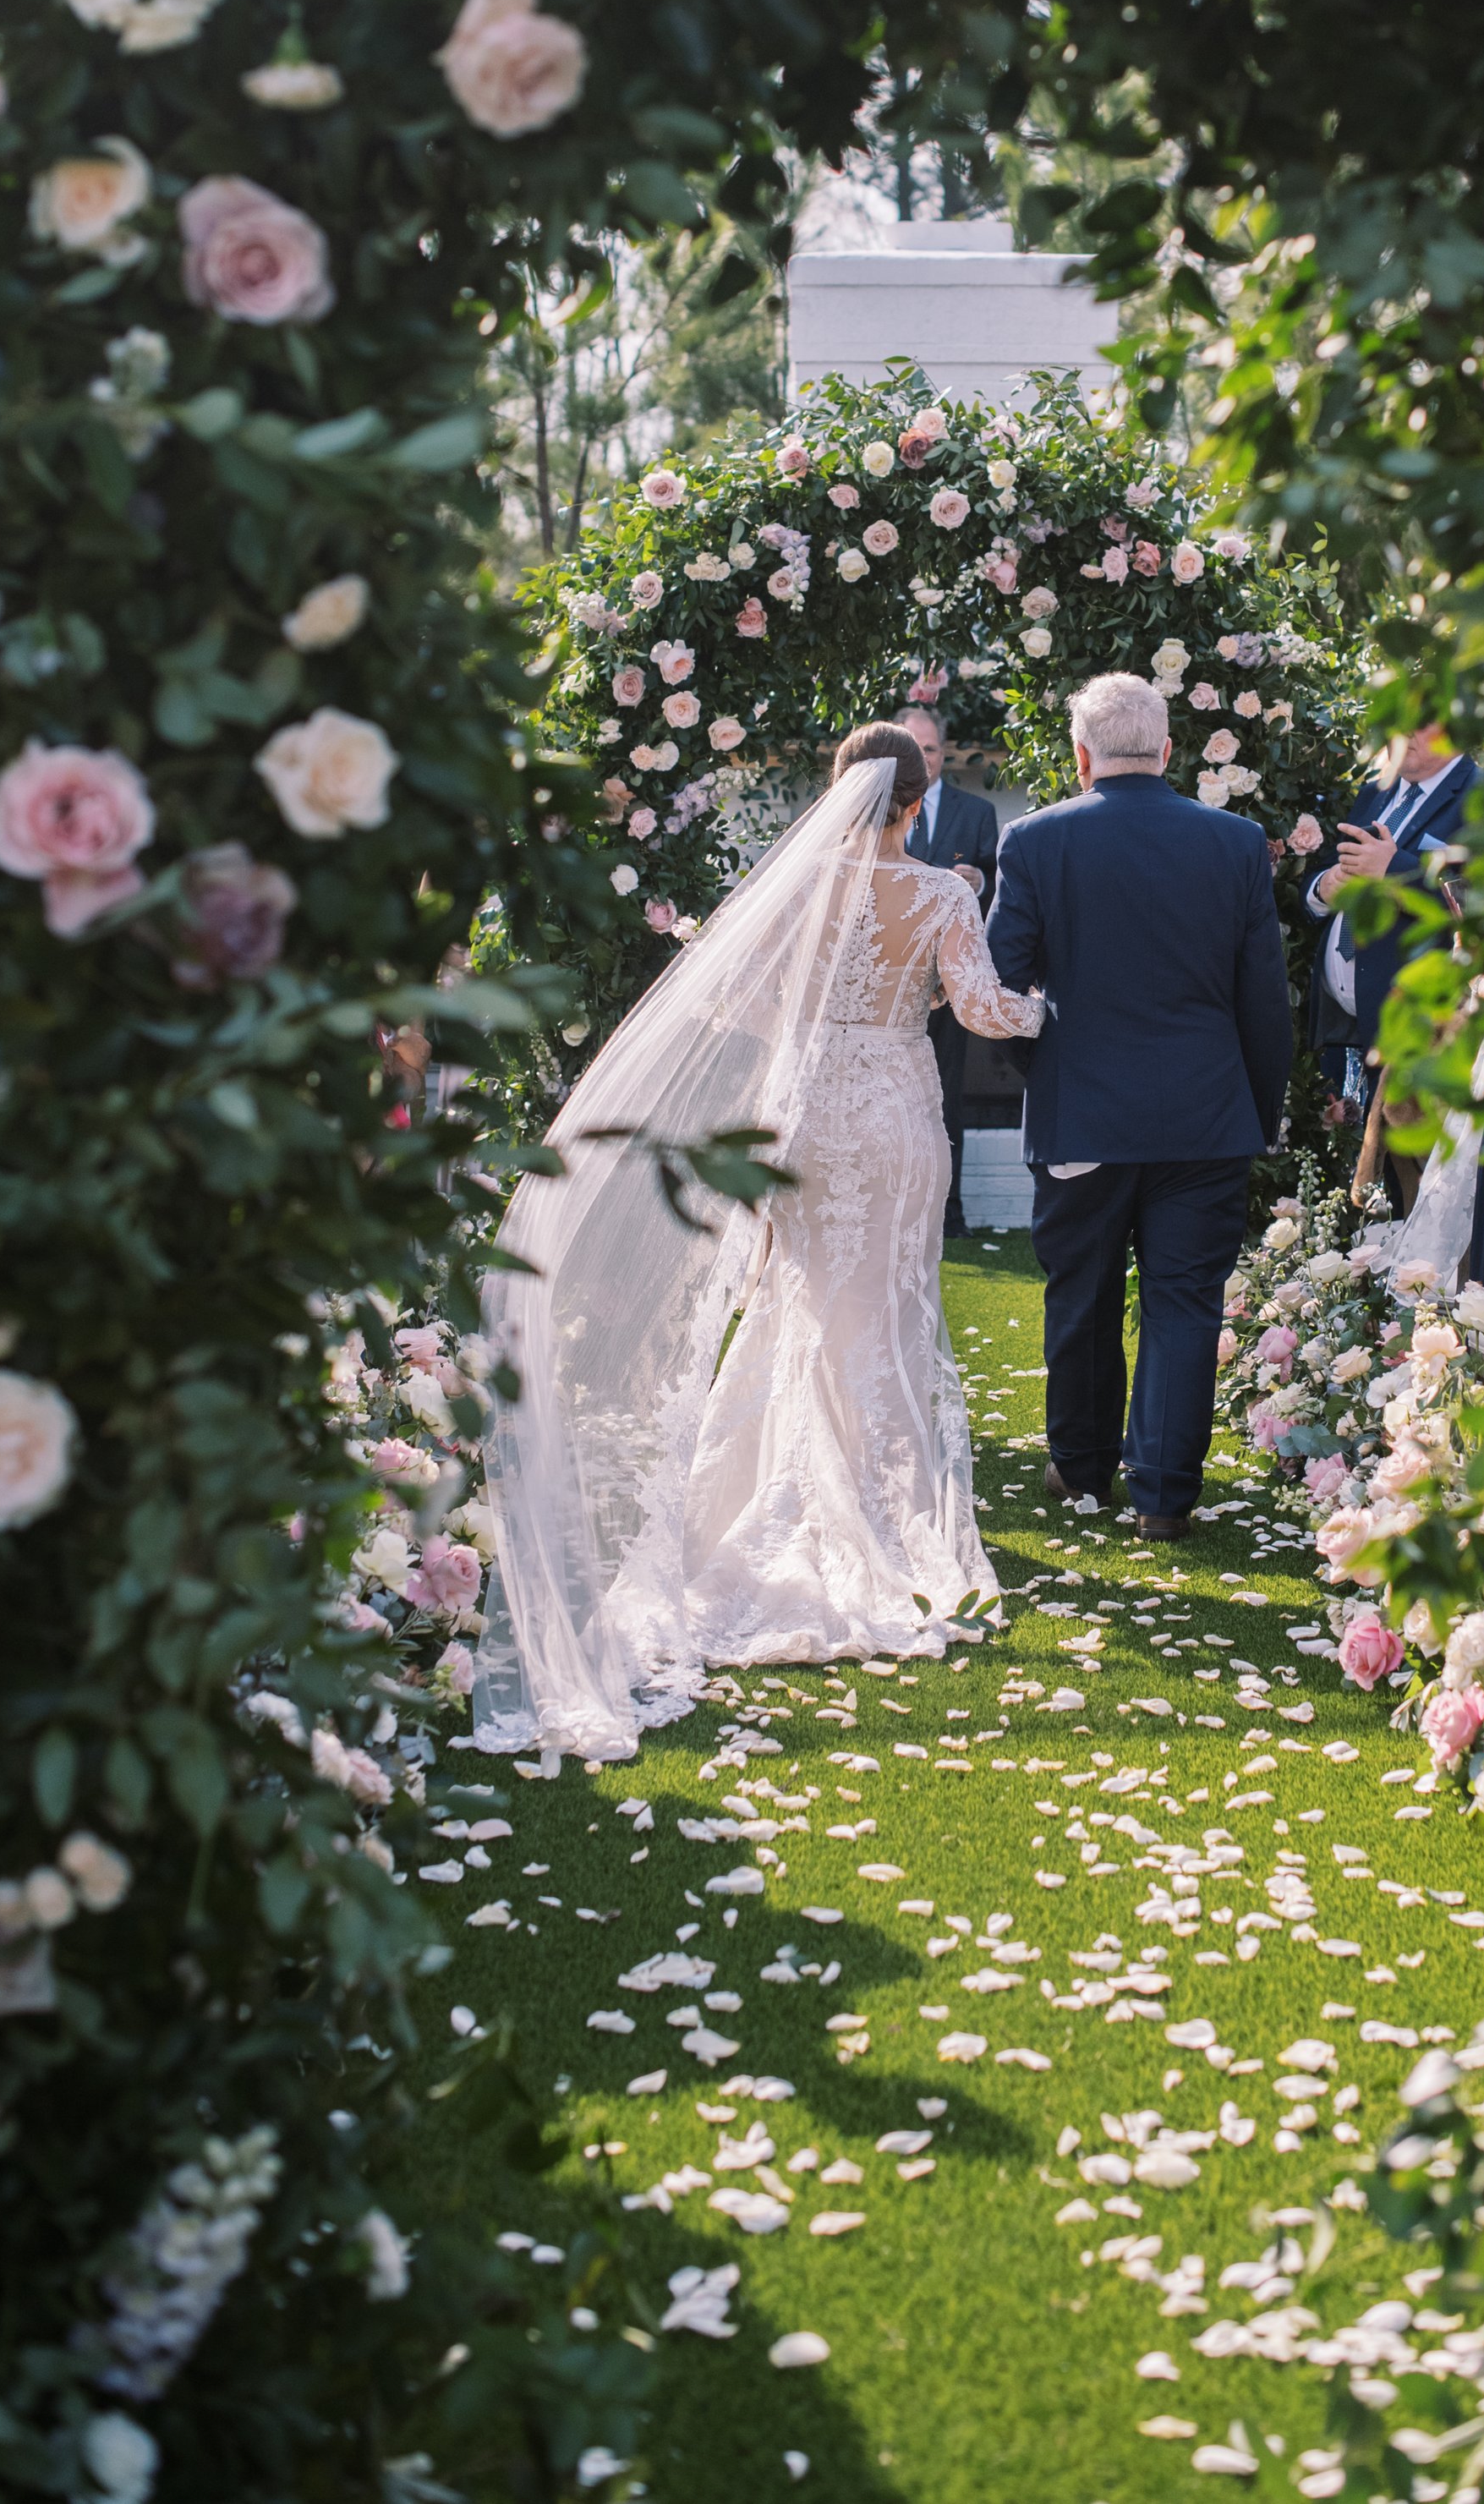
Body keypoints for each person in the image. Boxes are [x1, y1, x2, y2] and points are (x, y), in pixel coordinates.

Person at [471, 724, 1043, 1756]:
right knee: (880, 1309)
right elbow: (981, 1010)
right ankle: (868, 1521)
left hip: (806, 1112)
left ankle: (792, 1503)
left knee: (801, 1303)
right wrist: (1046, 1009)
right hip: (894, 1114)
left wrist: (804, 1020)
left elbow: (733, 998)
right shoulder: (944, 893)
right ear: (916, 802)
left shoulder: (794, 891)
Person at [987, 672, 1295, 1539]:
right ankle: (1163, 1494)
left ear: (1080, 756)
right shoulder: (1233, 843)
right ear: (1167, 751)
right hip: (1204, 1117)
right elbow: (1261, 1002)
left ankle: (1080, 1469)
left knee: (1080, 1295)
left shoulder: (1034, 842)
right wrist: (1256, 1107)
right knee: (1184, 1302)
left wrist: (1046, 1069)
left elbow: (1000, 988)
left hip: (1080, 1112)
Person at [1303, 722, 1479, 1115]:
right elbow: (1323, 872)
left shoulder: (1482, 796)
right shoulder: (1375, 792)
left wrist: (1395, 870)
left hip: (1420, 1039)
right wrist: (1323, 887)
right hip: (1348, 1032)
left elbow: (1483, 906)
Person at [898, 704, 1001, 1241]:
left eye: (932, 748)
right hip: (889, 982)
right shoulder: (878, 812)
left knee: (946, 1092)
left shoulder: (975, 811)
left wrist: (976, 882)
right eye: (915, 749)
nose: (925, 758)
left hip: (950, 978)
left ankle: (948, 1209)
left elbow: (995, 876)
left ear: (945, 753)